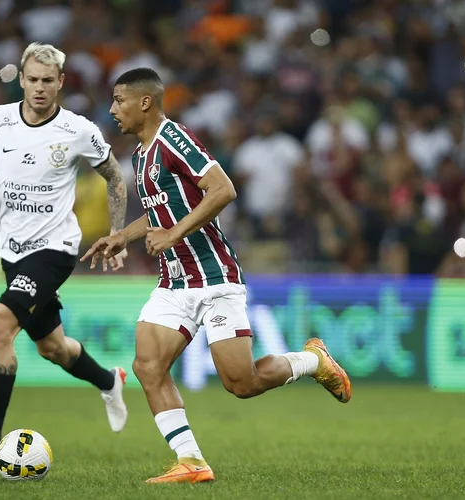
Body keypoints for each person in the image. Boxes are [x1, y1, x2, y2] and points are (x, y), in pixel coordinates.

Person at [82, 68, 352, 484]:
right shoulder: (141, 155)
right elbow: (160, 210)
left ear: (145, 102)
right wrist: (123, 236)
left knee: (241, 383)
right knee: (148, 366)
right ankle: (191, 461)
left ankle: (313, 360)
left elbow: (223, 188)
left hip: (213, 277)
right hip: (174, 282)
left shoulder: (175, 139)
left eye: (119, 100)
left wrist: (173, 233)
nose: (112, 109)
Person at [0, 42, 130, 463]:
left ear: (60, 83)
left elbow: (115, 178)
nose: (38, 88)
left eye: (47, 81)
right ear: (21, 78)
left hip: (55, 248)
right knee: (53, 347)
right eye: (32, 79)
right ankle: (109, 380)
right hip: (12, 252)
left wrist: (118, 233)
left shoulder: (78, 130)